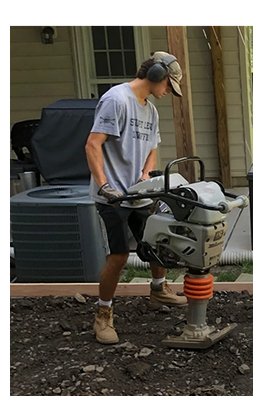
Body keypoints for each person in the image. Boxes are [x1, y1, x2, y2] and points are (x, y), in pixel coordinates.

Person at [85, 51, 187, 345]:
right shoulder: (116, 100)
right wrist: (104, 186)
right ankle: (103, 314)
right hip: (113, 197)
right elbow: (92, 145)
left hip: (139, 194)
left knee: (156, 243)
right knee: (118, 256)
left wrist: (145, 172)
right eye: (168, 85)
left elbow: (152, 146)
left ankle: (158, 289)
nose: (168, 92)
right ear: (156, 75)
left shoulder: (151, 111)